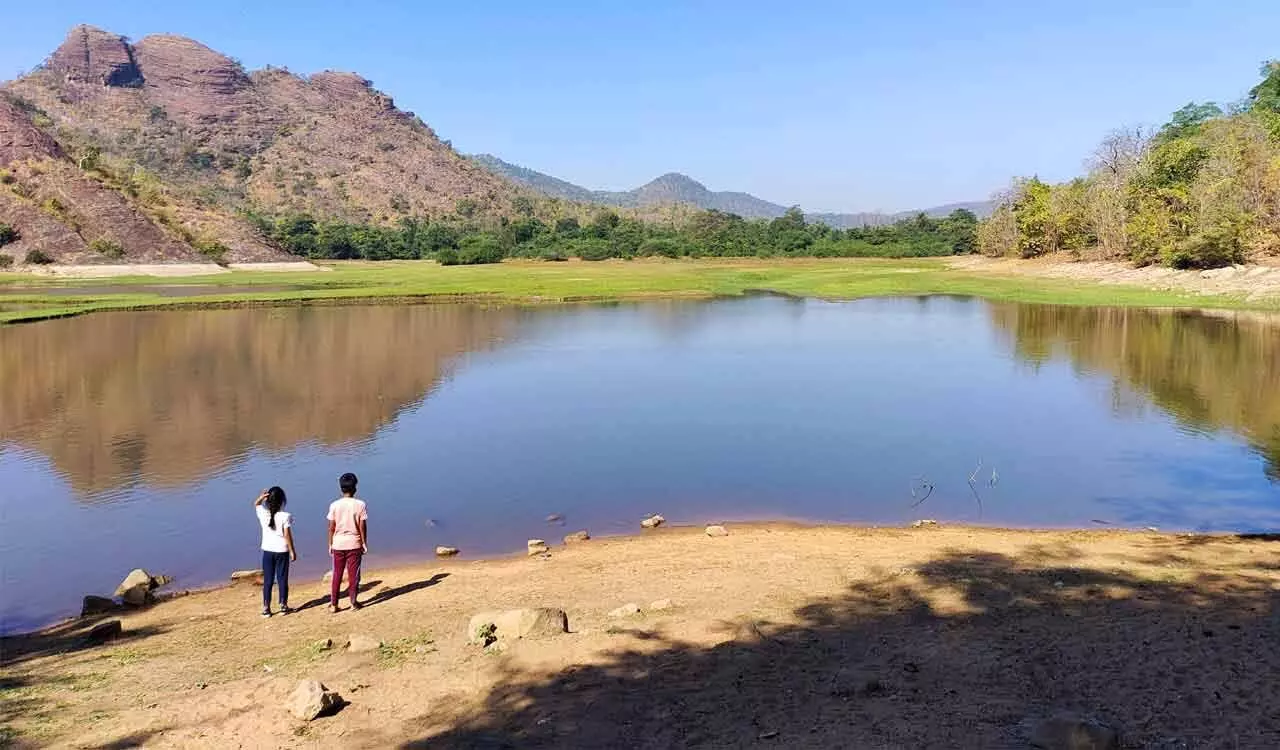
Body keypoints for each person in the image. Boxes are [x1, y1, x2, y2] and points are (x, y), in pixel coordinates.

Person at [327, 472, 368, 612]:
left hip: (338, 543)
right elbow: (362, 526)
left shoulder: (334, 505)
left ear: (341, 488)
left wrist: (330, 544)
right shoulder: (360, 505)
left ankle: (334, 604)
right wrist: (364, 543)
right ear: (355, 487)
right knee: (354, 575)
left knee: (337, 574)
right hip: (354, 543)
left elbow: (331, 527)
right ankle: (353, 602)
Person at [253, 486, 296, 617]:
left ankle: (266, 608)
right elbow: (287, 535)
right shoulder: (285, 516)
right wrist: (292, 551)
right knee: (282, 578)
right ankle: (283, 606)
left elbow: (256, 504)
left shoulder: (263, 514)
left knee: (268, 580)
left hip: (268, 550)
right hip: (282, 551)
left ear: (268, 501)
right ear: (282, 501)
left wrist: (261, 497)